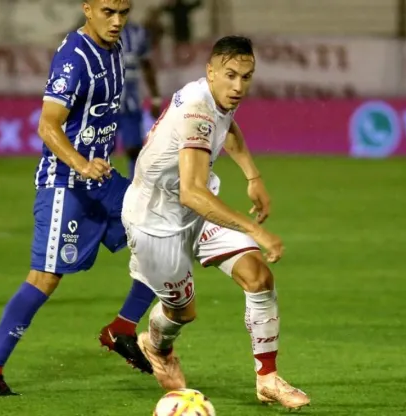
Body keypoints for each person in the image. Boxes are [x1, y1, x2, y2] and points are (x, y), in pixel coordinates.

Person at [119, 35, 310, 410]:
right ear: (210, 71)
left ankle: (268, 379)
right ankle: (155, 345)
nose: (238, 87)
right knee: (182, 312)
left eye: (247, 77)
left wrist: (253, 177)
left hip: (193, 210)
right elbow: (192, 192)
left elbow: (230, 130)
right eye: (230, 76)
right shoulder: (196, 109)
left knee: (258, 277)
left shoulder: (217, 98)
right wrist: (254, 229)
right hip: (156, 222)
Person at [0, 0, 145, 395]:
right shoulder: (74, 57)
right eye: (108, 11)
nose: (117, 20)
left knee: (163, 232)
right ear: (87, 8)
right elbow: (47, 126)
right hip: (66, 185)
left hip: (103, 183)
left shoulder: (116, 49)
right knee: (46, 278)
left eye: (124, 11)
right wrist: (82, 165)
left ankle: (123, 328)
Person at [117, 20, 162, 179]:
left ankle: (134, 189)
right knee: (98, 148)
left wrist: (155, 98)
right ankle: (95, 191)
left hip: (131, 102)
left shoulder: (138, 33)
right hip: (102, 103)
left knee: (134, 149)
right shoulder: (93, 30)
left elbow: (147, 65)